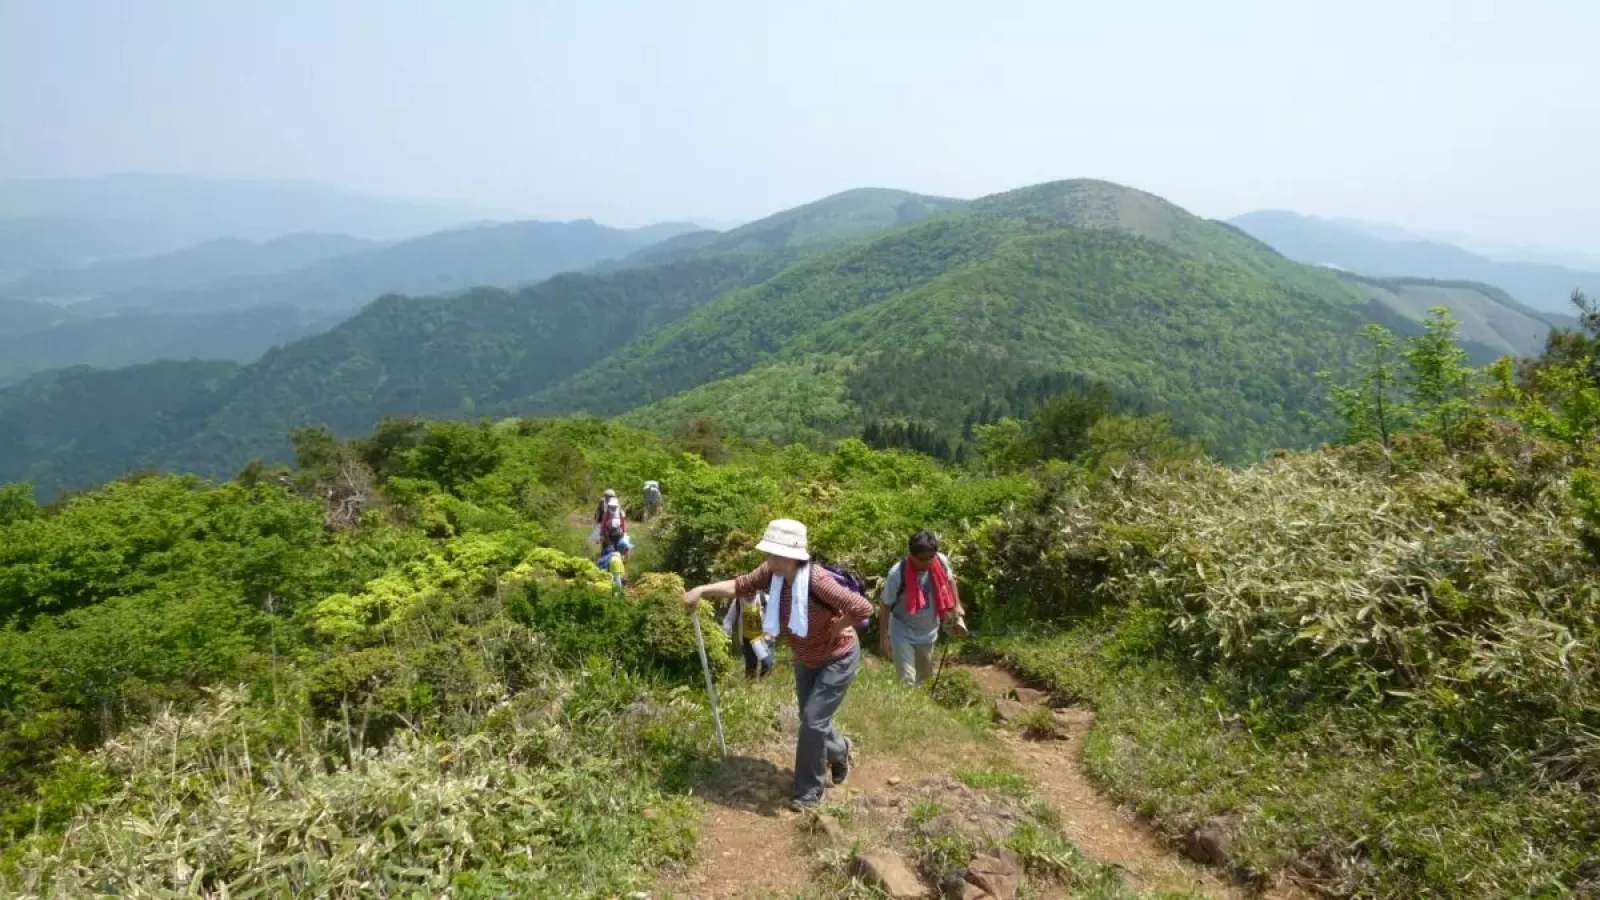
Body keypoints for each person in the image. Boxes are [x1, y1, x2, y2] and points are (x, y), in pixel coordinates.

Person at [682, 518, 873, 811]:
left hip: (837, 657)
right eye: (768, 552)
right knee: (811, 719)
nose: (768, 558)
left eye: (774, 553)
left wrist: (840, 626)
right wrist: (701, 590)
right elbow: (739, 585)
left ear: (792, 555)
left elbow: (862, 607)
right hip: (806, 657)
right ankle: (840, 749)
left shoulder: (817, 580)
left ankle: (809, 792)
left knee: (811, 722)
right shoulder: (771, 573)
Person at [878, 530, 967, 686]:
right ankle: (904, 709)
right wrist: (884, 638)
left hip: (928, 631)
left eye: (930, 558)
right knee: (907, 679)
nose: (926, 563)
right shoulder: (897, 574)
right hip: (902, 631)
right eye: (921, 559)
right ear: (911, 555)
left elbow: (950, 580)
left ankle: (919, 708)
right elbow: (885, 606)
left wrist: (957, 605)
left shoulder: (940, 562)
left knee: (924, 679)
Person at [721, 590, 775, 678]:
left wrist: (772, 632)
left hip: (764, 638)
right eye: (747, 593)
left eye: (752, 592)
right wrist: (726, 630)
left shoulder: (765, 599)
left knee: (767, 664)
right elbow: (729, 619)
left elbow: (775, 615)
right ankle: (751, 687)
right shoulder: (738, 602)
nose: (749, 595)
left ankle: (763, 686)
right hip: (748, 639)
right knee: (751, 668)